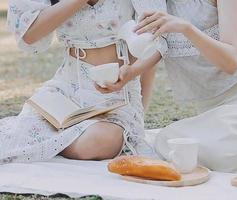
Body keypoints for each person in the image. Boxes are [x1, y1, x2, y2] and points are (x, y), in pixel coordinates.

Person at [134, 0, 237, 172]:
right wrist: (138, 125)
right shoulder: (152, 3)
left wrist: (186, 29)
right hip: (219, 116)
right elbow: (150, 57)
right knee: (168, 141)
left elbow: (231, 62)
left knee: (199, 145)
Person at [0, 0, 167, 164]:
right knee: (23, 130)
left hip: (117, 95)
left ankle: (45, 140)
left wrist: (132, 72)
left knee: (102, 140)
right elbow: (29, 35)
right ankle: (45, 136)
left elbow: (161, 38)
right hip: (66, 89)